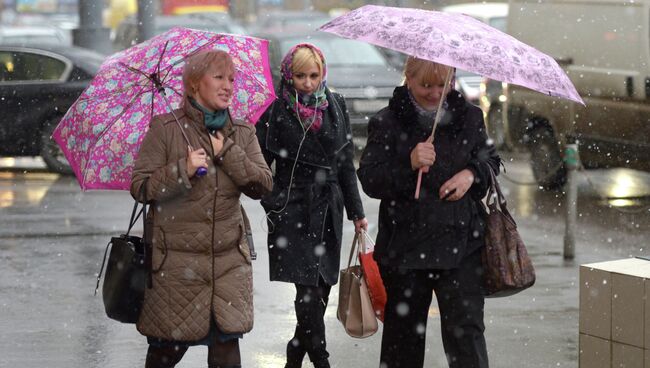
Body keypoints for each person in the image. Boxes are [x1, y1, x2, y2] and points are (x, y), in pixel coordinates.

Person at [130, 50, 273, 368]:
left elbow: (263, 184)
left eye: (232, 79)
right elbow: (141, 187)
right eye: (219, 77)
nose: (228, 86)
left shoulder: (241, 132)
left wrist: (229, 153)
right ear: (194, 84)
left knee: (226, 356)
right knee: (164, 356)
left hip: (227, 268)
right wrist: (182, 170)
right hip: (176, 269)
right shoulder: (165, 129)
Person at [357, 56, 501, 368]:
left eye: (442, 84)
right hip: (405, 251)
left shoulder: (471, 116)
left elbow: (491, 160)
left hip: (462, 246)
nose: (435, 93)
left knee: (467, 339)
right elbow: (370, 179)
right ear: (408, 79)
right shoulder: (386, 121)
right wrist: (408, 163)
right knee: (403, 344)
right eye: (425, 85)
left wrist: (471, 175)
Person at [255, 43, 368, 368]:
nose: (307, 82)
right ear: (289, 75)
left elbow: (345, 162)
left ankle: (294, 356)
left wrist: (356, 212)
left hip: (328, 208)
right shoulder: (275, 110)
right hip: (293, 211)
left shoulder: (335, 105)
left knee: (321, 291)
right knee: (306, 292)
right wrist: (274, 202)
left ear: (322, 73)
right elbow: (260, 164)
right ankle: (321, 360)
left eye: (313, 75)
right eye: (300, 76)